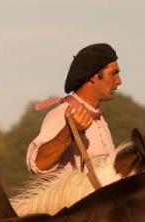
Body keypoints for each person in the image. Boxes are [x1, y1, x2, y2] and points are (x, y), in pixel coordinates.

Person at [26, 43, 122, 174]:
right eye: (113, 74)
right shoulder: (61, 115)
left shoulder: (101, 121)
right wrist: (69, 132)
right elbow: (37, 164)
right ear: (93, 77)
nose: (119, 81)